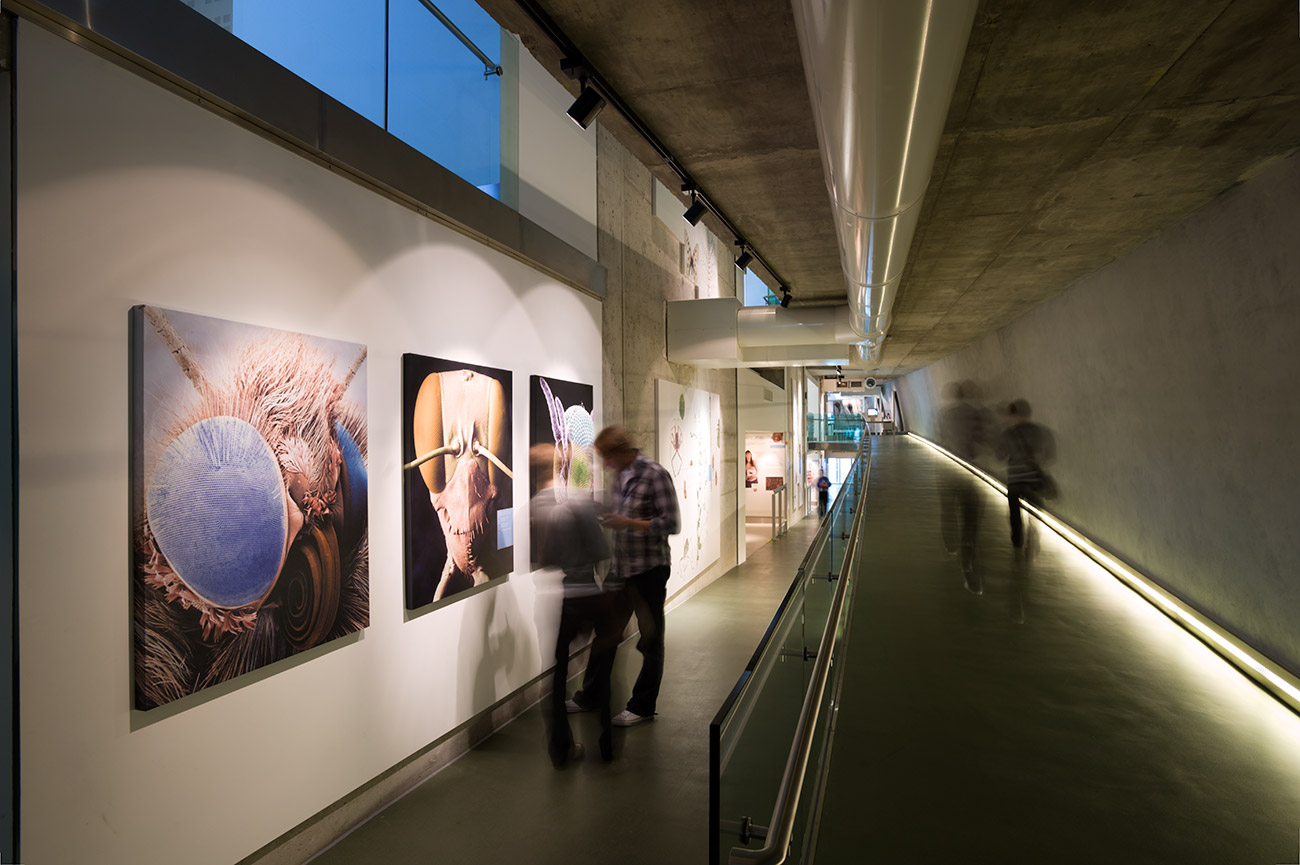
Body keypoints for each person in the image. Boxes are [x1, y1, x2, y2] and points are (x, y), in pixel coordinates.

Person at [568, 426, 679, 727]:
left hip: (649, 571)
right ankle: (591, 696)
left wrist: (627, 522)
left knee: (650, 640)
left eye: (607, 458)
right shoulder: (622, 476)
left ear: (620, 452)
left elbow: (671, 523)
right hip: (621, 569)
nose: (605, 465)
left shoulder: (655, 475)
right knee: (605, 634)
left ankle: (643, 706)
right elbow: (620, 515)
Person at [529, 444, 617, 764]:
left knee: (557, 673)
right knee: (605, 666)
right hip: (590, 596)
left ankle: (560, 748)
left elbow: (548, 560)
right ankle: (606, 741)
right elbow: (600, 551)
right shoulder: (577, 502)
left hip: (564, 600)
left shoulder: (536, 506)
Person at [939, 380, 992, 593]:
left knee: (948, 509)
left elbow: (942, 437)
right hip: (969, 471)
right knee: (970, 515)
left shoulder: (945, 414)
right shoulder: (975, 413)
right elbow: (983, 439)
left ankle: (950, 544)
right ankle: (967, 557)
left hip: (947, 469)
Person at [995, 398, 1056, 552]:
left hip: (1015, 479)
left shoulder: (1008, 433)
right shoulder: (1041, 431)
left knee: (1014, 512)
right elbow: (1050, 455)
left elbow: (1000, 455)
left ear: (1013, 415)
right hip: (1034, 479)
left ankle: (1017, 540)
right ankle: (1034, 534)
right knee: (1034, 510)